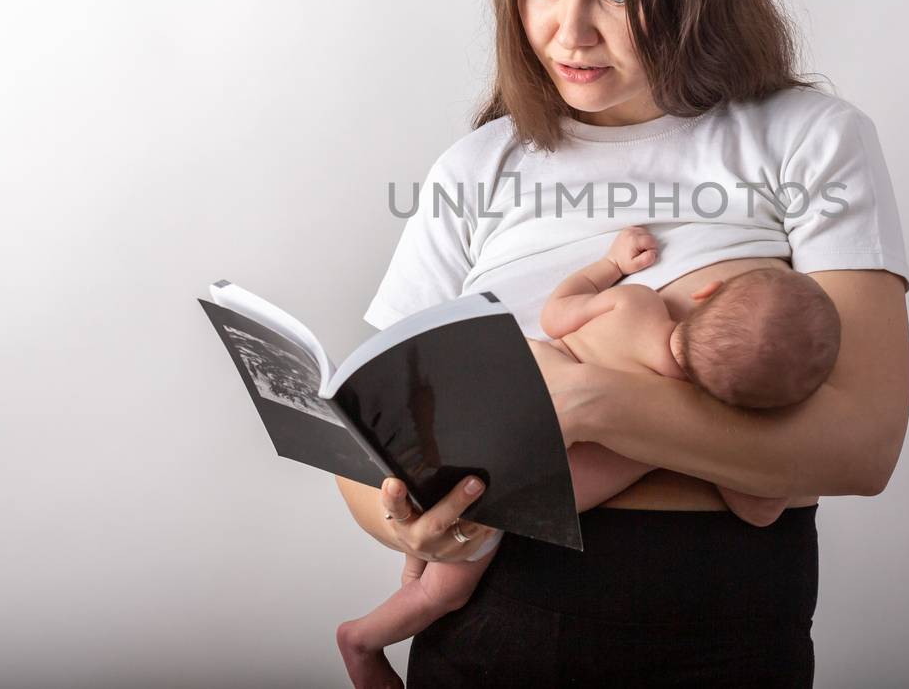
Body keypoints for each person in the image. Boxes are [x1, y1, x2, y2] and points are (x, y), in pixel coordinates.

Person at [335, 0, 909, 688]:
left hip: (720, 627)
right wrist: (408, 524)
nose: (570, 32)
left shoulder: (808, 139)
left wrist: (592, 402)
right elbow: (365, 439)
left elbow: (863, 443)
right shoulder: (476, 166)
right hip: (495, 623)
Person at [335, 225, 843, 687]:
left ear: (706, 292)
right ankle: (360, 640)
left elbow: (558, 314)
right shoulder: (706, 426)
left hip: (488, 416)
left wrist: (612, 265)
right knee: (442, 593)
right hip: (507, 491)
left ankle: (403, 580)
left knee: (432, 518)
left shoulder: (635, 306)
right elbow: (761, 510)